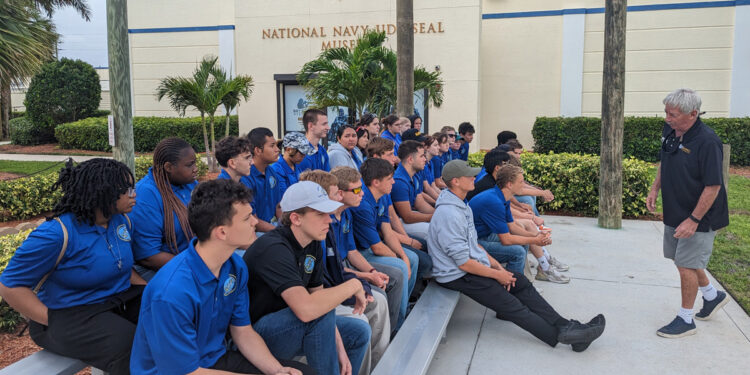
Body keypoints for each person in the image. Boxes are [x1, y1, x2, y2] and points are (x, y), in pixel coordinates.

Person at [130, 179, 313, 375]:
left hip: (214, 360)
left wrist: (278, 370)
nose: (255, 222)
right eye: (247, 218)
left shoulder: (235, 266)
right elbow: (184, 372)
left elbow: (242, 331)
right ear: (222, 232)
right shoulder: (171, 292)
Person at [428, 160, 606, 352]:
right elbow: (463, 263)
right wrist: (498, 275)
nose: (474, 178)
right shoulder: (449, 214)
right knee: (513, 305)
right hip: (456, 276)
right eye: (469, 175)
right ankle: (565, 337)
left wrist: (495, 265)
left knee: (519, 281)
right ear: (455, 181)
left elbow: (473, 245)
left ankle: (565, 325)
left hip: (469, 268)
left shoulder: (461, 205)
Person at [0, 158, 145, 374]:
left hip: (114, 300)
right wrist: (52, 319)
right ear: (101, 192)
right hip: (69, 312)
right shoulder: (56, 234)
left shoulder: (121, 221)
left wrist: (150, 292)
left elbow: (121, 264)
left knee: (170, 312)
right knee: (129, 345)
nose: (134, 194)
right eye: (127, 190)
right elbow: (9, 286)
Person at [243, 181, 371, 375]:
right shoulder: (273, 248)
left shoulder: (312, 243)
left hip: (292, 327)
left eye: (328, 213)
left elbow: (318, 297)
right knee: (318, 312)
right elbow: (307, 310)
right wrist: (353, 284)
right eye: (320, 214)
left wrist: (341, 351)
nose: (329, 220)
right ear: (295, 218)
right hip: (256, 337)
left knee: (358, 333)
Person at [646, 89, 730, 338]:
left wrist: (694, 220)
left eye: (672, 114)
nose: (667, 119)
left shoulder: (708, 142)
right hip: (675, 209)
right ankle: (712, 296)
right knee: (680, 259)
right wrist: (655, 188)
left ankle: (686, 319)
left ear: (693, 114)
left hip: (700, 216)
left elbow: (713, 186)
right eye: (666, 113)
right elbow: (665, 159)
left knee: (686, 264)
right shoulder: (670, 131)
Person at [300, 170, 391, 375]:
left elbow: (347, 256)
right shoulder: (316, 231)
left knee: (379, 299)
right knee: (361, 322)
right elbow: (323, 283)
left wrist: (370, 273)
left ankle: (380, 364)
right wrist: (363, 281)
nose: (340, 197)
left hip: (333, 284)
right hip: (320, 296)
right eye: (336, 194)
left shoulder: (339, 218)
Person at [331, 166, 405, 332]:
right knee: (378, 296)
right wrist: (368, 276)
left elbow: (352, 252)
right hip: (337, 272)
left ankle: (394, 331)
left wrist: (372, 271)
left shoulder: (346, 213)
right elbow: (334, 268)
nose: (362, 193)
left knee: (392, 277)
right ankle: (383, 343)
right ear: (340, 193)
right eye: (357, 190)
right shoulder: (326, 221)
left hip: (347, 266)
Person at [350, 158, 423, 328]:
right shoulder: (362, 203)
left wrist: (403, 256)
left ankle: (401, 310)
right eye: (390, 178)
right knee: (401, 267)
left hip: (372, 248)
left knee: (411, 259)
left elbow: (388, 231)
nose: (394, 181)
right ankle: (396, 324)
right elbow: (375, 246)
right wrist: (400, 259)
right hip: (362, 252)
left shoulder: (382, 195)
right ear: (376, 182)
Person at [470, 165, 570, 284]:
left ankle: (522, 281)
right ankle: (516, 287)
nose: (523, 185)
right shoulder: (494, 201)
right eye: (521, 181)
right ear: (509, 184)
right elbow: (506, 240)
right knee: (518, 252)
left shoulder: (502, 196)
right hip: (474, 243)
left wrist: (537, 235)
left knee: (525, 242)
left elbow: (512, 226)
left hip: (484, 235)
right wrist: (535, 240)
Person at [130, 137, 198, 279]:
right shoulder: (146, 195)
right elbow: (148, 256)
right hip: (161, 268)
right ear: (168, 167)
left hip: (192, 259)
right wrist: (198, 265)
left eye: (195, 163)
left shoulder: (189, 184)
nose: (195, 169)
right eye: (190, 165)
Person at [241, 127, 283, 234]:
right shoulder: (246, 177)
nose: (277, 149)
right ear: (258, 150)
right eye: (272, 146)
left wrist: (285, 226)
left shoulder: (272, 172)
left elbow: (278, 206)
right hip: (253, 232)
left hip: (271, 227)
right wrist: (279, 232)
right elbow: (252, 220)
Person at [391, 140, 434, 242]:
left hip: (409, 217)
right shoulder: (399, 181)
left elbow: (420, 203)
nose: (425, 159)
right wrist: (434, 217)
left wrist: (439, 214)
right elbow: (407, 216)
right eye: (422, 156)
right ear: (410, 159)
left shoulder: (413, 176)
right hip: (398, 222)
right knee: (432, 231)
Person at [270, 131, 317, 198]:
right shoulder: (277, 170)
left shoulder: (297, 167)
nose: (304, 156)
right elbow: (284, 197)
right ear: (289, 150)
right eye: (301, 153)